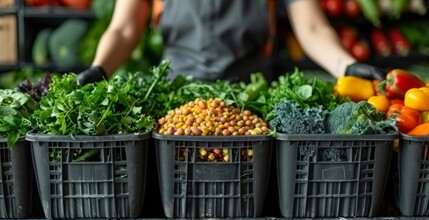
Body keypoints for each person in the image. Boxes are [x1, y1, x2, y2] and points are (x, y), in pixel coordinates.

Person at [76, 0, 385, 84]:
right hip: (174, 97)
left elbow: (313, 29)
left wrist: (347, 66)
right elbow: (124, 29)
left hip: (251, 97)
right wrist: (100, 69)